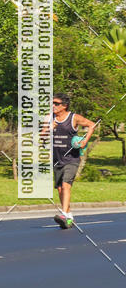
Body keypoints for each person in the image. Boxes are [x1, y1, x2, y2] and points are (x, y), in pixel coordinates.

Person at [51, 92, 96, 228]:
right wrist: (49, 129)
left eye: (56, 103)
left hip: (72, 158)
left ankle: (63, 214)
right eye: (52, 103)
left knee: (66, 185)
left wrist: (84, 141)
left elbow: (91, 125)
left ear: (64, 106)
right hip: (57, 159)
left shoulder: (74, 118)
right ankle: (69, 217)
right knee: (60, 189)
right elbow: (41, 138)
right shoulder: (50, 119)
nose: (53, 106)